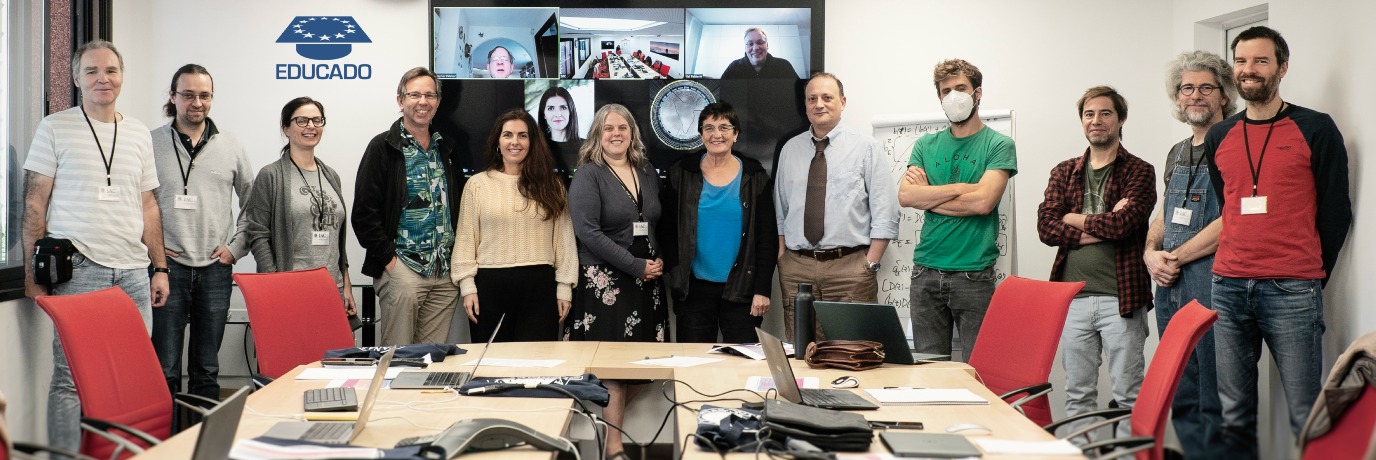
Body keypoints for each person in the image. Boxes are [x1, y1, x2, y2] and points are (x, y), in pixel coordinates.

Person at [1203, 26, 1351, 458]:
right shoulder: (1219, 136)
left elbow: (1336, 213)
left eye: (1261, 61)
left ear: (1282, 68)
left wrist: (1306, 273)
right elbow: (1227, 205)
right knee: (1234, 413)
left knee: (1306, 412)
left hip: (1291, 288)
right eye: (1242, 61)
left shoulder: (1316, 128)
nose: (1249, 70)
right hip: (1227, 286)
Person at [22, 39, 170, 453]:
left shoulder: (139, 132)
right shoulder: (54, 127)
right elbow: (35, 201)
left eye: (110, 70)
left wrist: (159, 267)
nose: (102, 78)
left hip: (134, 275)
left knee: (133, 375)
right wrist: (34, 277)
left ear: (121, 77)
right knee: (70, 378)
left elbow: (148, 205)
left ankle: (125, 452)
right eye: (91, 71)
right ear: (76, 79)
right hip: (79, 269)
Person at [1036, 86, 1156, 441]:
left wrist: (1071, 219)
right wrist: (1095, 221)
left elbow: (1124, 225)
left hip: (1122, 299)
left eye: (1105, 113)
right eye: (1089, 114)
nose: (1096, 121)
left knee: (1128, 395)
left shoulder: (1139, 171)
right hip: (1072, 298)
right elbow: (1046, 227)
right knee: (1078, 395)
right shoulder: (1064, 172)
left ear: (1120, 120)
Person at [1142, 50, 1236, 459]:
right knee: (1181, 386)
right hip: (1170, 284)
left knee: (1215, 393)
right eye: (1187, 88)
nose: (1195, 95)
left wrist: (1176, 257)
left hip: (1213, 280)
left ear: (1223, 95)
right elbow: (1166, 208)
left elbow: (1232, 220)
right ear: (1177, 97)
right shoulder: (1177, 151)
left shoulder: (1235, 142)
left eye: (1205, 88)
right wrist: (1150, 251)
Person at [565, 104, 668, 459]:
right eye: (608, 128)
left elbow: (653, 222)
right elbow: (587, 233)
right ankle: (613, 448)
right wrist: (634, 265)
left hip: (646, 283)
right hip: (605, 283)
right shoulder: (588, 174)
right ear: (597, 134)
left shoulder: (646, 170)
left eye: (622, 127)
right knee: (612, 369)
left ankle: (609, 430)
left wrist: (656, 259)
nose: (616, 134)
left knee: (641, 367)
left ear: (632, 132)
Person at [149, 64, 254, 405]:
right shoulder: (150, 143)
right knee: (163, 367)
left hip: (215, 269)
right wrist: (152, 249)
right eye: (189, 95)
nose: (197, 102)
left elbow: (253, 204)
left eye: (204, 95)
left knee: (207, 368)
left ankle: (199, 445)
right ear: (172, 97)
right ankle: (163, 449)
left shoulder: (231, 146)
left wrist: (235, 249)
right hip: (166, 270)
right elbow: (134, 200)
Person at [897, 59, 1015, 361]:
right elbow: (907, 196)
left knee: (979, 371)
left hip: (973, 275)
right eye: (945, 91)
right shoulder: (925, 144)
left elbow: (983, 203)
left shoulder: (998, 144)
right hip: (925, 272)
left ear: (977, 93)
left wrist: (931, 197)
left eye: (960, 88)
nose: (953, 96)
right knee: (928, 374)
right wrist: (963, 188)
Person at [774, 72, 898, 341]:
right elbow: (781, 210)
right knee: (801, 350)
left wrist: (870, 264)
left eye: (827, 97)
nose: (819, 104)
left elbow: (885, 212)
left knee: (854, 350)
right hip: (798, 268)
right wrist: (783, 257)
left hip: (850, 268)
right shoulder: (790, 149)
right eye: (812, 98)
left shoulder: (866, 148)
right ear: (805, 105)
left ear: (842, 102)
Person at [353, 67, 464, 346]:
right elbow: (364, 214)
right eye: (414, 94)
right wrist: (391, 263)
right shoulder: (383, 147)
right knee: (397, 359)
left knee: (431, 361)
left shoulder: (446, 149)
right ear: (400, 100)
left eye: (429, 95)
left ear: (438, 102)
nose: (422, 101)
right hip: (403, 271)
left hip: (443, 276)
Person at [451, 109, 575, 342]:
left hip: (540, 289)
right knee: (492, 369)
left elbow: (564, 240)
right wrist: (467, 287)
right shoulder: (477, 185)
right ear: (498, 141)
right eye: (507, 135)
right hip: (489, 289)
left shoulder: (552, 185)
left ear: (532, 142)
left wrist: (564, 287)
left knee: (536, 367)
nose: (514, 142)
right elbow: (466, 239)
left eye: (522, 135)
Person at [661, 102, 776, 343]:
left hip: (742, 290)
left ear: (736, 134)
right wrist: (675, 271)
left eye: (724, 127)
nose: (717, 134)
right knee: (693, 367)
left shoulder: (754, 176)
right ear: (701, 134)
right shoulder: (681, 173)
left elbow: (767, 238)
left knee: (741, 368)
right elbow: (666, 229)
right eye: (709, 127)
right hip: (694, 291)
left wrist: (762, 289)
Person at [241, 97, 356, 320]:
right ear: (286, 128)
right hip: (291, 288)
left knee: (330, 355)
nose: (311, 126)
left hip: (333, 288)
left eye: (316, 120)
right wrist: (275, 283)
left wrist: (347, 284)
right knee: (294, 354)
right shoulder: (271, 175)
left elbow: (336, 239)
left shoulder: (331, 175)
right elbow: (257, 234)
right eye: (302, 121)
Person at [537, 85, 583, 179]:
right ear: (544, 114)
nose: (558, 114)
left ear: (570, 111)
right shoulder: (536, 147)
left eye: (563, 107)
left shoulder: (587, 147)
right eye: (550, 108)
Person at [720, 28, 799, 79]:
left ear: (767, 45)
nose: (755, 48)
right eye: (750, 44)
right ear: (745, 48)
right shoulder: (734, 67)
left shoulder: (784, 65)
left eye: (760, 42)